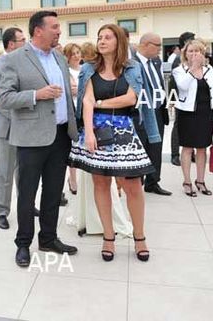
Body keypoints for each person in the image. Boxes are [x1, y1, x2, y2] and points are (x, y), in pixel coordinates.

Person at [0, 11, 79, 268]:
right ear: (38, 30)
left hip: (61, 135)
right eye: (55, 27)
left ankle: (48, 239)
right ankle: (23, 243)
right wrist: (36, 95)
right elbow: (2, 98)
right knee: (27, 194)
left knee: (53, 193)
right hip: (31, 139)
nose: (59, 31)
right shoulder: (15, 59)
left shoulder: (59, 57)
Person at [69, 24, 158, 262]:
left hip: (124, 129)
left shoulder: (132, 67)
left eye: (108, 37)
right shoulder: (89, 68)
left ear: (119, 41)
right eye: (100, 37)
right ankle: (108, 237)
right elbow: (86, 101)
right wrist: (88, 133)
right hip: (97, 131)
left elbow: (131, 98)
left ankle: (139, 237)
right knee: (100, 183)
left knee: (133, 186)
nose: (102, 41)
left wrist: (100, 103)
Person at [0, 27, 25, 230]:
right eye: (22, 40)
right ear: (11, 44)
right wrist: (25, 104)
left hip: (28, 125)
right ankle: (2, 211)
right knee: (5, 171)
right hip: (8, 125)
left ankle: (26, 205)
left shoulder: (27, 63)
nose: (26, 43)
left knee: (25, 171)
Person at [173, 39, 213, 197]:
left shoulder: (209, 69)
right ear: (185, 54)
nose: (194, 54)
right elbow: (183, 86)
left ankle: (200, 181)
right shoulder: (179, 70)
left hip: (206, 112)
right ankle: (187, 182)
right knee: (187, 148)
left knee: (202, 148)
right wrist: (193, 68)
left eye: (197, 51)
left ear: (202, 53)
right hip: (187, 113)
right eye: (191, 51)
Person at [134, 33, 172, 196]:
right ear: (145, 44)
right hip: (141, 112)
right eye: (157, 46)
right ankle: (137, 182)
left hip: (157, 110)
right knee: (141, 147)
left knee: (156, 147)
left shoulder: (156, 62)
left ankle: (153, 182)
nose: (160, 49)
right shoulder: (133, 63)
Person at [169, 31, 196, 166]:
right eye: (191, 40)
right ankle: (175, 154)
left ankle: (191, 152)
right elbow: (172, 82)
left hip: (193, 97)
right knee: (178, 126)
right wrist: (172, 100)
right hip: (180, 98)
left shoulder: (196, 57)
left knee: (193, 125)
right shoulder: (177, 60)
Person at [63, 43, 82, 195]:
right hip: (71, 112)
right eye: (72, 53)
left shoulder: (86, 70)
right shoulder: (65, 72)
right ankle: (73, 179)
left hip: (85, 111)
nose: (76, 56)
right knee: (73, 147)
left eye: (78, 52)